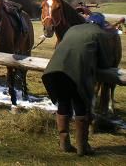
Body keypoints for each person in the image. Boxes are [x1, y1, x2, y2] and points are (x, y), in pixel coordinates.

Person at [42, 12, 113, 156]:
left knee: (63, 103)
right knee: (81, 106)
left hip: (54, 71)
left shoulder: (73, 28)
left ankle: (64, 144)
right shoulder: (100, 33)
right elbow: (105, 62)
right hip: (76, 72)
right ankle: (82, 147)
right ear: (100, 24)